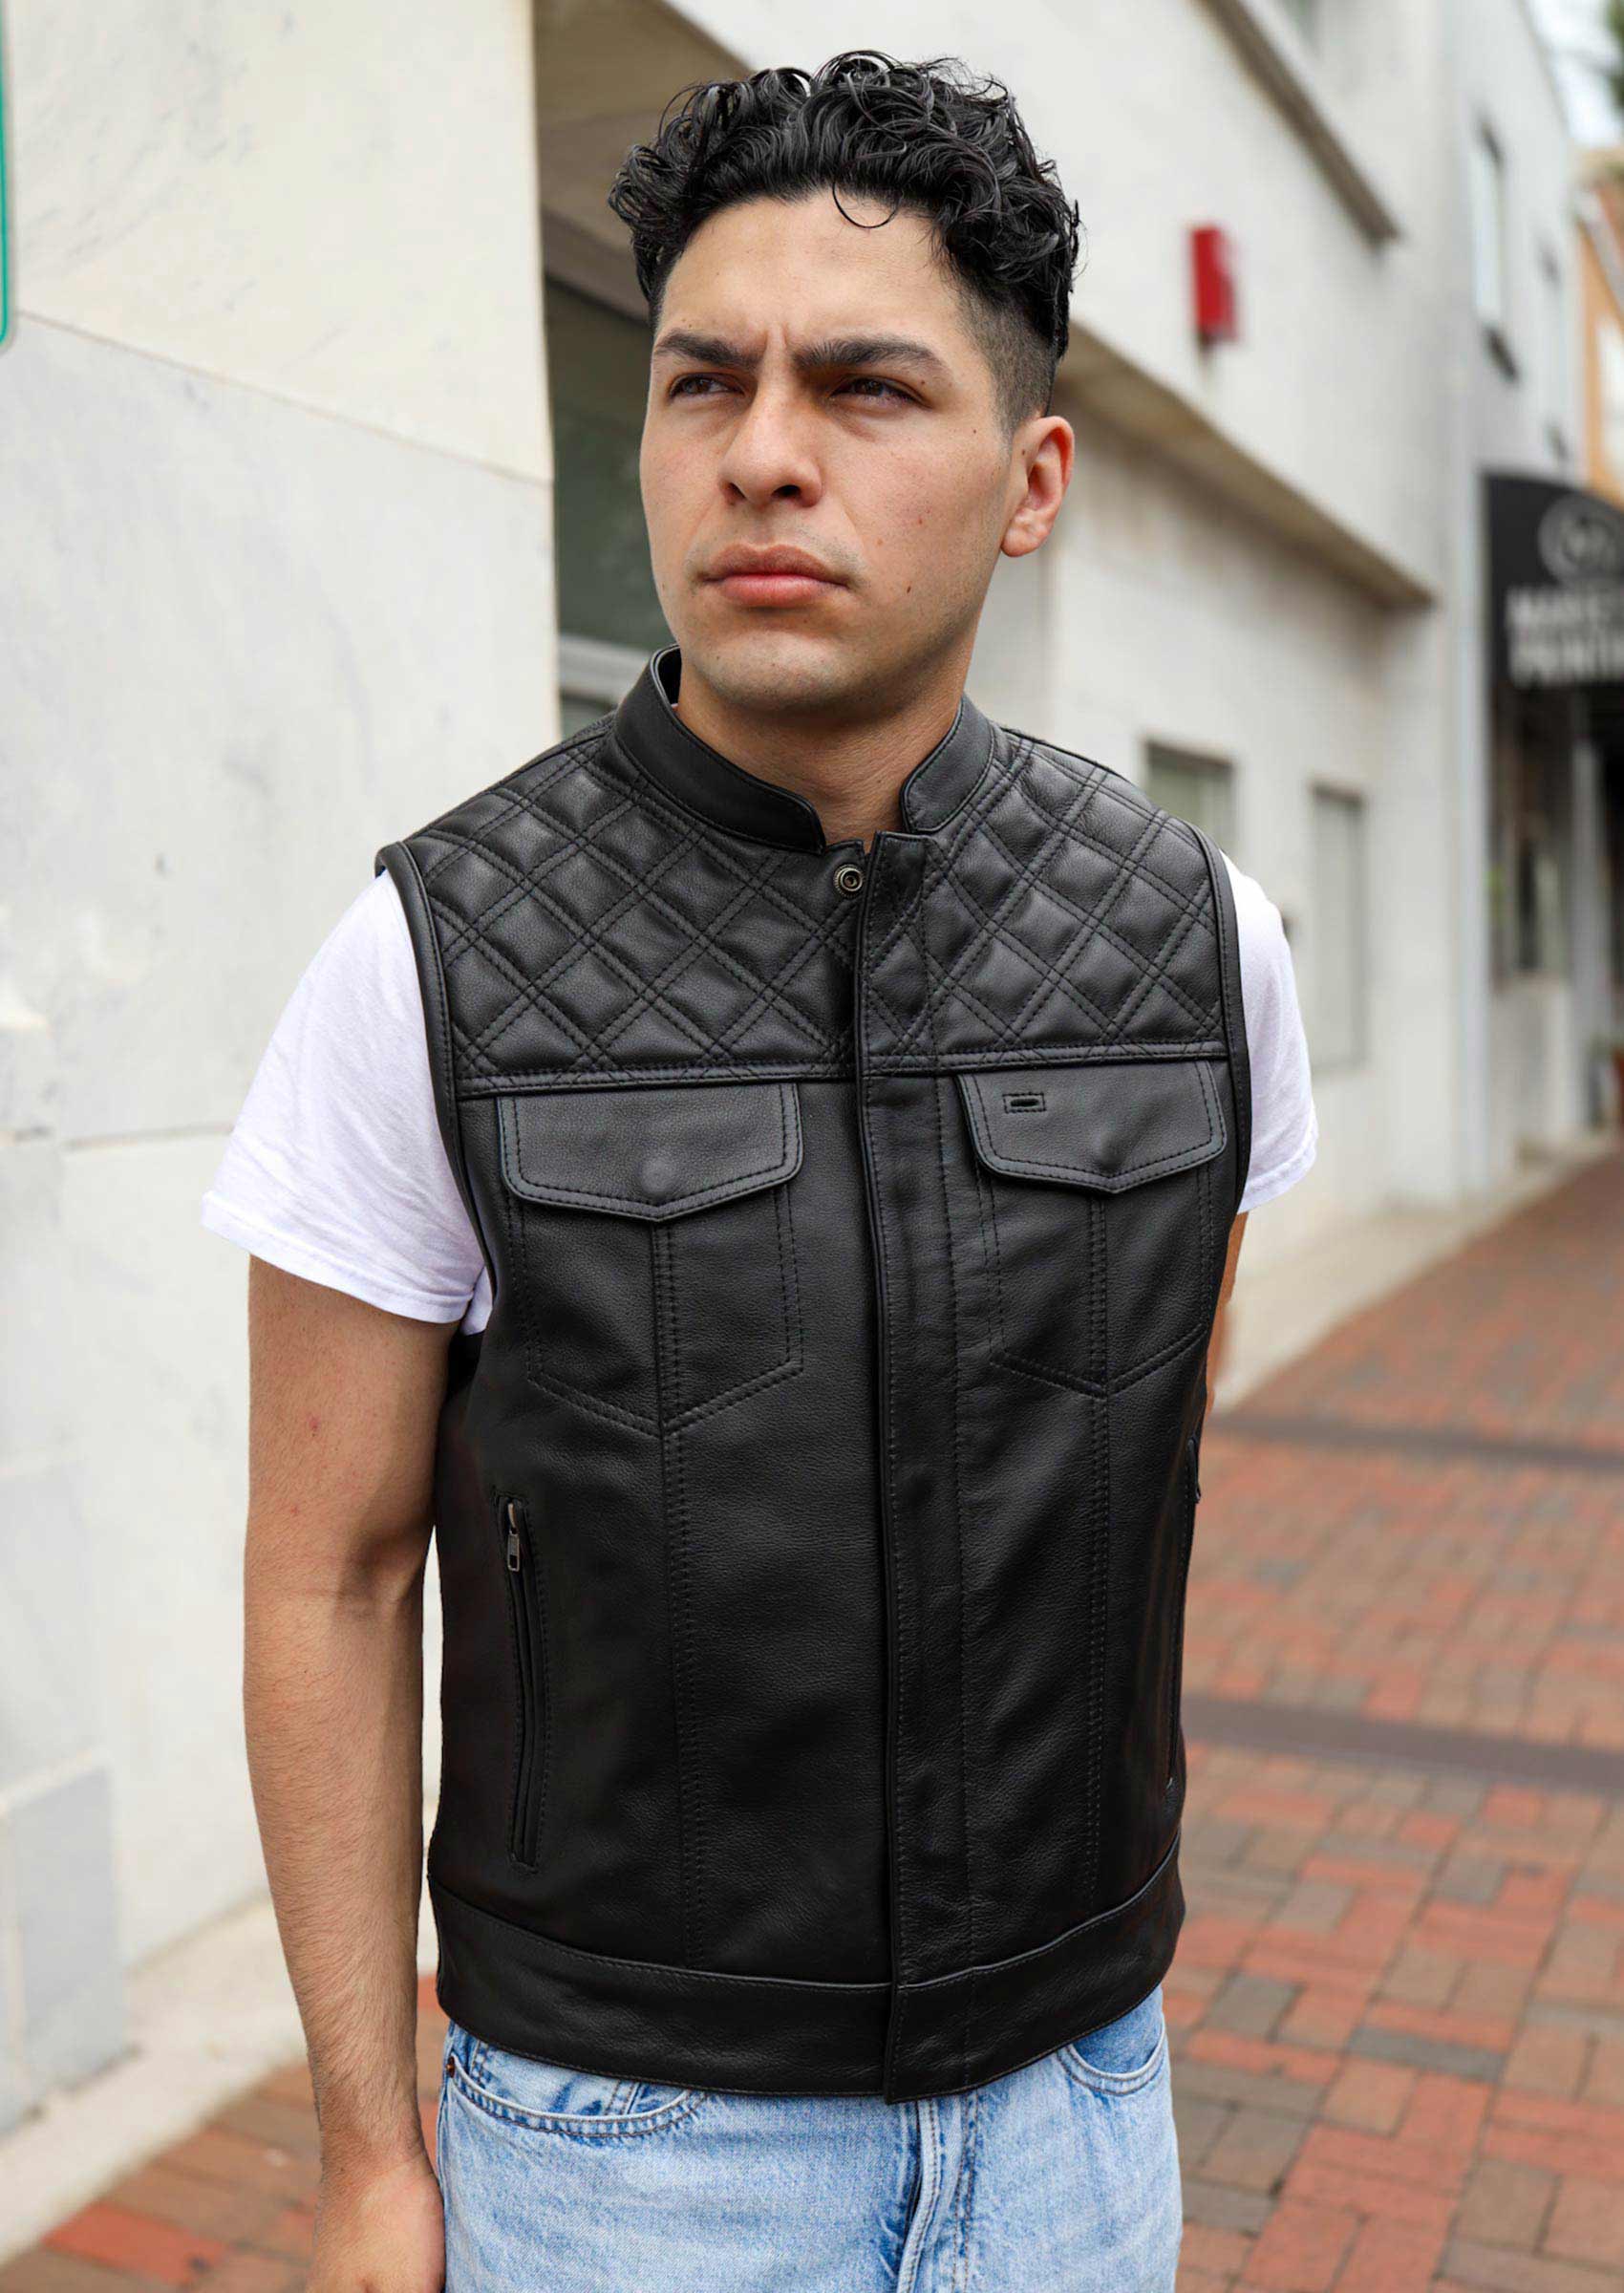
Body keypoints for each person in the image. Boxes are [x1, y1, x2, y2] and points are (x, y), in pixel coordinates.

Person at [202, 49, 1317, 2293]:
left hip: (1076, 2110)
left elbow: (1140, 1453)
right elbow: (330, 1577)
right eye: (701, 381)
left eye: (865, 387)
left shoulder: (1196, 942)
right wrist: (367, 2159)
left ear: (1030, 479)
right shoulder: (431, 956)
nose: (763, 453)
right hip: (621, 2150)